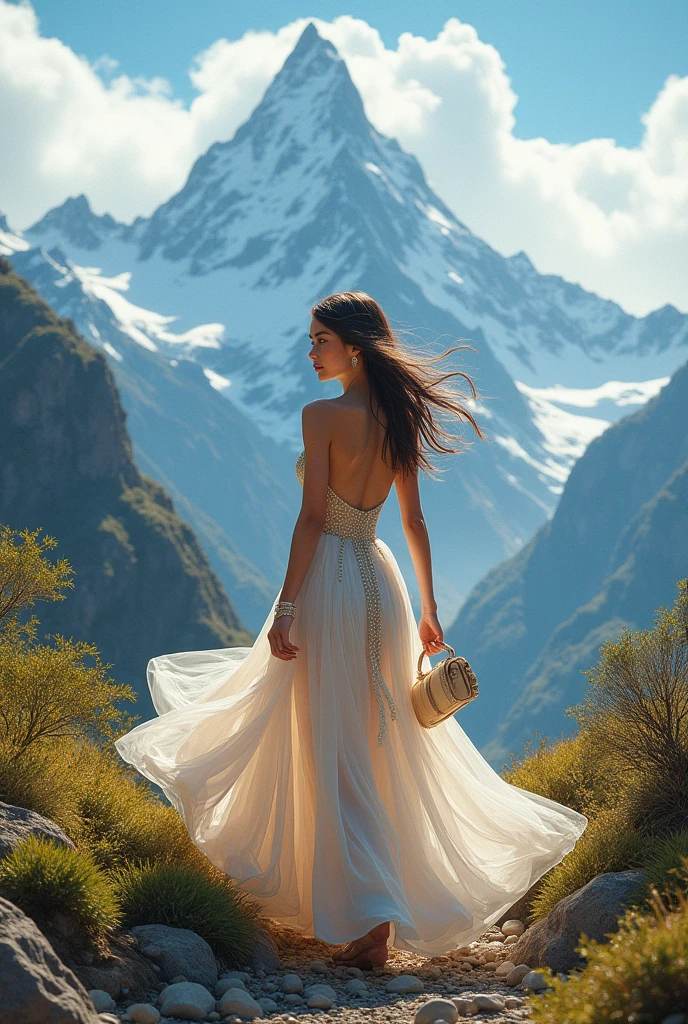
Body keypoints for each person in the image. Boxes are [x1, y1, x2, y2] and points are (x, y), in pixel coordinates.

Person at [114, 291, 588, 969]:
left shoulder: (322, 416)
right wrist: (428, 610)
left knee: (330, 748)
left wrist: (284, 607)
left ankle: (369, 920)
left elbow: (312, 519)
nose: (309, 352)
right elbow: (416, 523)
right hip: (382, 581)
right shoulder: (399, 417)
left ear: (354, 347)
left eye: (319, 340)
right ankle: (368, 909)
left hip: (331, 582)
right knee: (373, 745)